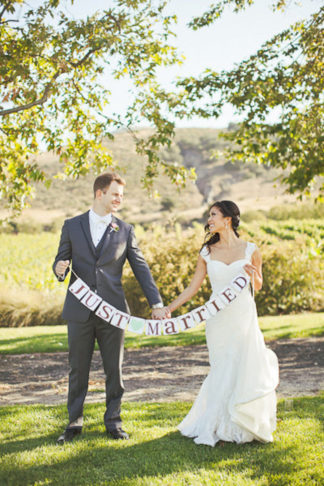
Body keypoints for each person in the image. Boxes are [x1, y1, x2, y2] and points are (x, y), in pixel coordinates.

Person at [53, 172, 166, 444]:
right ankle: (73, 423)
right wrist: (58, 269)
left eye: (122, 196)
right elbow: (61, 261)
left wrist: (157, 303)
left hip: (114, 312)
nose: (119, 199)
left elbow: (141, 269)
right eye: (115, 194)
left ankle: (114, 422)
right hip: (79, 311)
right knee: (77, 369)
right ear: (99, 193)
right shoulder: (71, 226)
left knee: (114, 370)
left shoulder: (125, 230)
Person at [165, 200, 279, 446]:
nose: (209, 220)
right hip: (217, 319)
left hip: (243, 316)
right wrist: (169, 309)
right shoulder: (207, 252)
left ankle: (242, 424)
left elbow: (258, 285)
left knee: (243, 365)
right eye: (209, 215)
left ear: (227, 219)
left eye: (213, 215)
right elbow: (193, 288)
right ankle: (217, 424)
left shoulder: (251, 249)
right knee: (221, 367)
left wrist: (254, 274)